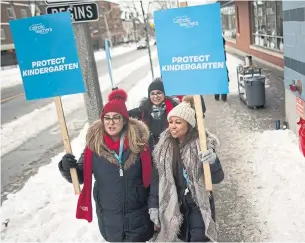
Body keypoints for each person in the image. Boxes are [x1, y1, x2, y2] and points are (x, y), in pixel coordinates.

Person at [58, 89, 154, 242]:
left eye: (116, 117)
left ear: (124, 120)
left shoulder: (141, 143)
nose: (111, 122)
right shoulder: (94, 146)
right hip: (110, 219)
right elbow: (80, 176)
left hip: (139, 216)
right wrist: (66, 167)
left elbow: (155, 176)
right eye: (107, 118)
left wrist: (155, 207)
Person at [148, 96, 224, 242]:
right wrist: (153, 205)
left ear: (189, 124)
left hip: (198, 207)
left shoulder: (202, 145)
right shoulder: (163, 148)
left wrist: (213, 161)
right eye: (170, 122)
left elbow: (217, 178)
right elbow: (157, 179)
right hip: (174, 206)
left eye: (178, 122)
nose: (173, 126)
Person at [129, 78, 179, 147]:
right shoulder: (143, 110)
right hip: (150, 149)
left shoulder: (175, 109)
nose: (155, 96)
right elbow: (124, 114)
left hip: (170, 148)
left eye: (159, 93)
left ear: (164, 94)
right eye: (152, 94)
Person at [215, 37, 229, 102]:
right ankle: (223, 98)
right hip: (221, 68)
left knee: (217, 82)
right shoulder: (222, 50)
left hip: (217, 69)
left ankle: (217, 97)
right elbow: (224, 60)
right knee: (223, 82)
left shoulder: (215, 50)